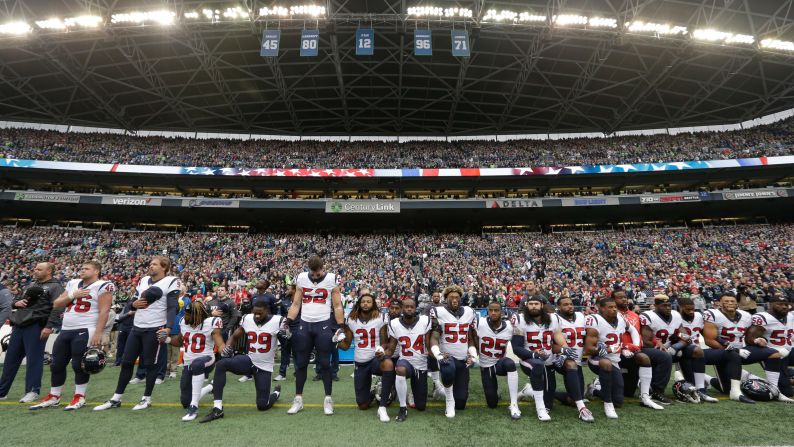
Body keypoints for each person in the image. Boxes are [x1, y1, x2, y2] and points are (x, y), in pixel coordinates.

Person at [94, 256, 181, 411]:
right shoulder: (144, 280)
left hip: (155, 327)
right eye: (150, 263)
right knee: (126, 363)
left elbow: (172, 307)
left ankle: (146, 399)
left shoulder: (172, 281)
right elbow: (132, 302)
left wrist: (168, 328)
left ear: (164, 268)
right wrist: (133, 305)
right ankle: (116, 398)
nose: (151, 266)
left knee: (150, 365)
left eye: (154, 264)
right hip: (137, 326)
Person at [30, 261, 114, 411]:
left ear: (96, 271)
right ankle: (54, 396)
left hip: (86, 328)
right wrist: (72, 295)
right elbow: (56, 304)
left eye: (86, 269)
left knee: (79, 364)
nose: (82, 270)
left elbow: (104, 311)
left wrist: (98, 332)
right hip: (66, 328)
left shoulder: (103, 285)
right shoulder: (73, 283)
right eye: (81, 268)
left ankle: (79, 396)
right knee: (56, 364)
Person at [200, 301, 283, 423]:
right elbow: (235, 336)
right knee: (222, 364)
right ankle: (217, 408)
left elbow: (287, 341)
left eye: (260, 313)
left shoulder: (278, 321)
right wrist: (228, 347)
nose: (257, 316)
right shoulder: (248, 318)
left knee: (262, 405)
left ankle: (275, 393)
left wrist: (286, 336)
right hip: (249, 360)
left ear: (267, 311)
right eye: (255, 313)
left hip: (264, 367)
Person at [283, 255, 345, 415]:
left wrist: (341, 325)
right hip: (305, 324)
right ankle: (298, 399)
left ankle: (328, 399)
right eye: (314, 273)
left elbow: (337, 305)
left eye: (318, 273)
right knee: (301, 363)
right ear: (309, 270)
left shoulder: (332, 278)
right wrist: (288, 321)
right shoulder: (302, 278)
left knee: (325, 363)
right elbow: (296, 303)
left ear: (323, 268)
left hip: (323, 324)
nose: (316, 276)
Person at [0, 262, 65, 403]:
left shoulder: (55, 286)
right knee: (10, 359)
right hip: (19, 324)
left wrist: (49, 326)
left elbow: (58, 307)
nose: (35, 271)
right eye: (35, 268)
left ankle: (32, 390)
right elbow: (15, 300)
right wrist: (16, 303)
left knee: (34, 360)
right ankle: (2, 391)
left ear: (49, 271)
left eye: (39, 269)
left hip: (37, 325)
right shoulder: (30, 284)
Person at [510, 295, 577, 421]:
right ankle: (539, 408)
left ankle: (528, 391)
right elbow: (517, 348)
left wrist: (564, 351)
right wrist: (533, 354)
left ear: (542, 305)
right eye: (531, 303)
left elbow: (559, 338)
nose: (533, 306)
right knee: (538, 364)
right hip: (529, 360)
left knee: (549, 403)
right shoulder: (520, 319)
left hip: (548, 361)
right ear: (526, 305)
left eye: (536, 303)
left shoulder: (552, 319)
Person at [337, 289, 393, 422]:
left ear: (373, 303)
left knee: (388, 364)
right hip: (360, 363)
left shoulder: (380, 318)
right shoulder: (351, 320)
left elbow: (385, 342)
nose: (366, 304)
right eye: (363, 301)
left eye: (369, 301)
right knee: (362, 405)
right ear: (359, 303)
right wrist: (335, 341)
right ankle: (373, 392)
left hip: (375, 359)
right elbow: (346, 346)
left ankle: (387, 397)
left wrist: (381, 349)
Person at [168, 300, 224, 421]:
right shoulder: (184, 322)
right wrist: (166, 340)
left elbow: (220, 344)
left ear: (198, 315)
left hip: (207, 360)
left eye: (189, 314)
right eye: (186, 313)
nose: (186, 317)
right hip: (188, 364)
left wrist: (224, 351)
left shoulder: (211, 323)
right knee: (185, 401)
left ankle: (194, 408)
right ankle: (210, 387)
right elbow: (179, 341)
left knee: (197, 364)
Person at [612, 289, 665, 409]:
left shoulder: (635, 315)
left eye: (625, 297)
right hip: (618, 350)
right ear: (613, 300)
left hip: (636, 349)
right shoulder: (611, 315)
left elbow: (641, 333)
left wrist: (656, 341)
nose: (624, 299)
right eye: (620, 297)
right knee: (625, 393)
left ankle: (653, 392)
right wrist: (625, 347)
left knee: (663, 356)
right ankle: (597, 386)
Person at [428, 285, 476, 418]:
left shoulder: (469, 312)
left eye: (457, 297)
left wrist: (473, 355)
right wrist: (438, 354)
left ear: (461, 299)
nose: (454, 300)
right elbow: (434, 336)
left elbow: (470, 338)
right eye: (451, 297)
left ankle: (441, 391)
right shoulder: (438, 312)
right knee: (448, 368)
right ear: (445, 299)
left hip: (462, 359)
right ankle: (449, 401)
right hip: (447, 357)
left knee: (460, 403)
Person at [470, 301, 521, 419]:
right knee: (492, 403)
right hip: (486, 365)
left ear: (501, 312)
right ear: (487, 311)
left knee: (510, 363)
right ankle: (496, 392)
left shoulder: (510, 326)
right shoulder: (480, 323)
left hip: (500, 363)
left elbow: (520, 340)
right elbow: (470, 337)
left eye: (496, 310)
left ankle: (514, 404)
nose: (493, 313)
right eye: (491, 310)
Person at [701, 292, 755, 403]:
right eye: (726, 301)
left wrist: (758, 340)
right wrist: (733, 350)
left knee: (770, 352)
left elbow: (750, 337)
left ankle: (776, 383)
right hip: (722, 350)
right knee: (726, 389)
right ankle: (708, 378)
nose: (729, 303)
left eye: (732, 301)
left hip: (743, 350)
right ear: (719, 303)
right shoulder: (713, 314)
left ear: (737, 304)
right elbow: (709, 340)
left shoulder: (746, 316)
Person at [583, 297, 632, 419]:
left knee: (619, 401)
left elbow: (631, 330)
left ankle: (593, 390)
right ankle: (607, 404)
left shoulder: (620, 319)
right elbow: (589, 349)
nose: (614, 309)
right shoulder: (595, 320)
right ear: (601, 308)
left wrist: (630, 346)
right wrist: (608, 349)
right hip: (597, 359)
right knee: (606, 363)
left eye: (615, 307)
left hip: (615, 360)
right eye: (610, 307)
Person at [385, 298, 432, 422]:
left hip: (421, 365)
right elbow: (391, 348)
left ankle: (411, 392)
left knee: (421, 406)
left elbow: (428, 345)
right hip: (405, 362)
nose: (409, 309)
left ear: (415, 308)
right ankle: (402, 407)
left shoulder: (425, 321)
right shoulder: (394, 323)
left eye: (412, 306)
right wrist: (382, 355)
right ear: (402, 309)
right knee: (400, 369)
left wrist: (438, 354)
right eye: (406, 307)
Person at [552, 296, 595, 421]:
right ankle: (582, 409)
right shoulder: (555, 318)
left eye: (570, 304)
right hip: (560, 358)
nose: (569, 306)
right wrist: (563, 352)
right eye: (565, 304)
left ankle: (538, 392)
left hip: (577, 360)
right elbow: (550, 341)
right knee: (571, 365)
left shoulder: (581, 316)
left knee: (574, 398)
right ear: (558, 307)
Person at [745, 294, 794, 402]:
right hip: (773, 354)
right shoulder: (763, 318)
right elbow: (749, 338)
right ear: (770, 305)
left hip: (789, 351)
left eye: (786, 304)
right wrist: (757, 341)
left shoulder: (790, 316)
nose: (784, 307)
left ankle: (788, 374)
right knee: (787, 392)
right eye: (780, 304)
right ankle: (750, 377)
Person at [676, 297, 718, 402]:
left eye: (693, 309)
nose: (691, 312)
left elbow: (706, 333)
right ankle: (705, 380)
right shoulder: (674, 317)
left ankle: (704, 384)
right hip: (682, 350)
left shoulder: (699, 316)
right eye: (688, 309)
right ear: (680, 308)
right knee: (691, 384)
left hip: (697, 351)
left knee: (697, 383)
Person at [637, 294, 676, 404]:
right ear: (655, 306)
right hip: (647, 348)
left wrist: (677, 346)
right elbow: (645, 341)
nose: (668, 307)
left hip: (667, 347)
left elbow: (682, 334)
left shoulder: (676, 316)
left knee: (690, 351)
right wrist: (660, 347)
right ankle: (657, 391)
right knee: (665, 356)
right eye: (664, 305)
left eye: (669, 305)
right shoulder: (648, 316)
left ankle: (696, 386)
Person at [275, 284, 296, 382]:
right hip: (287, 329)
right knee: (284, 351)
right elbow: (282, 317)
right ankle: (282, 374)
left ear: (294, 290)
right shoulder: (284, 301)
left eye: (288, 289)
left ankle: (298, 373)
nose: (286, 291)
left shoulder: (301, 301)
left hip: (297, 329)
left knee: (297, 352)